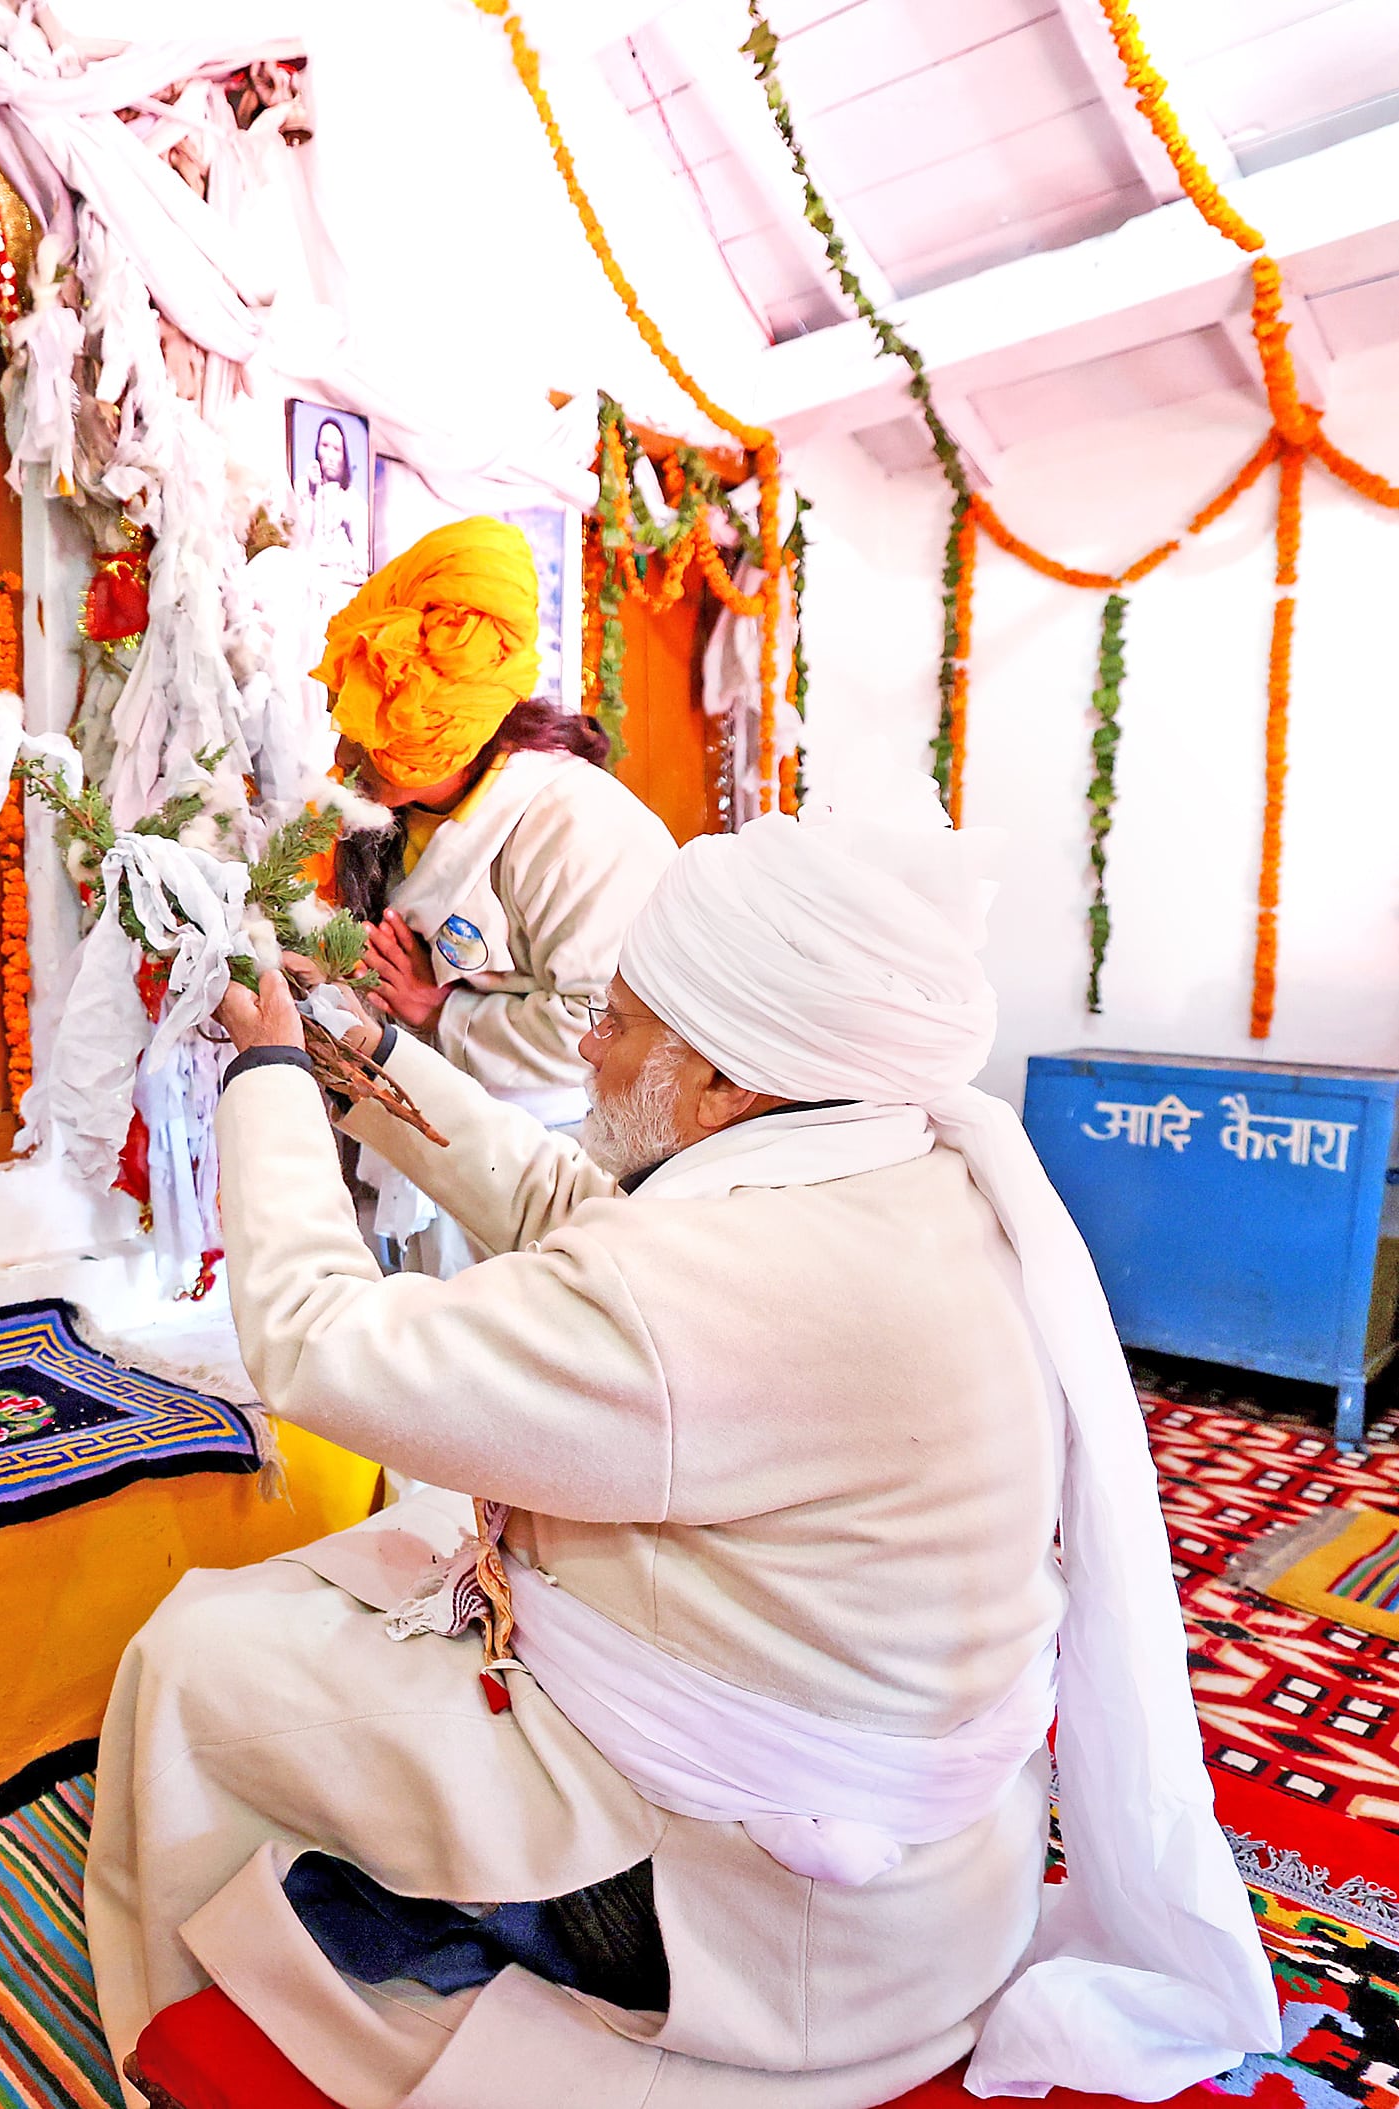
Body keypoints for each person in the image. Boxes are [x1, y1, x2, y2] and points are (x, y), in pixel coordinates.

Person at [85, 812, 1277, 2102]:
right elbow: (578, 1213)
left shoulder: (730, 1283)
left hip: (759, 1912)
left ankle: (185, 2038)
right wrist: (371, 1056)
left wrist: (261, 1078)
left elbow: (323, 1346)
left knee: (196, 1657)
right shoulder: (893, 1165)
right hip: (927, 1879)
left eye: (621, 1019)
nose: (585, 1044)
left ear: (727, 1082)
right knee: (393, 1560)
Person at [313, 514, 676, 1272]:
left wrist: (440, 1012)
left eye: (375, 737)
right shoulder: (396, 810)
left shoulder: (574, 823)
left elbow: (607, 1022)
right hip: (431, 1131)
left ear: (453, 732)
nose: (347, 757)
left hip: (555, 1162)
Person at [295, 414, 368, 580]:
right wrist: (311, 495)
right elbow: (299, 540)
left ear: (344, 456)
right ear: (317, 448)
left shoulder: (354, 500)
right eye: (325, 445)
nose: (330, 455)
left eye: (336, 449)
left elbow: (362, 558)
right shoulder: (302, 486)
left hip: (343, 577)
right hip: (310, 575)